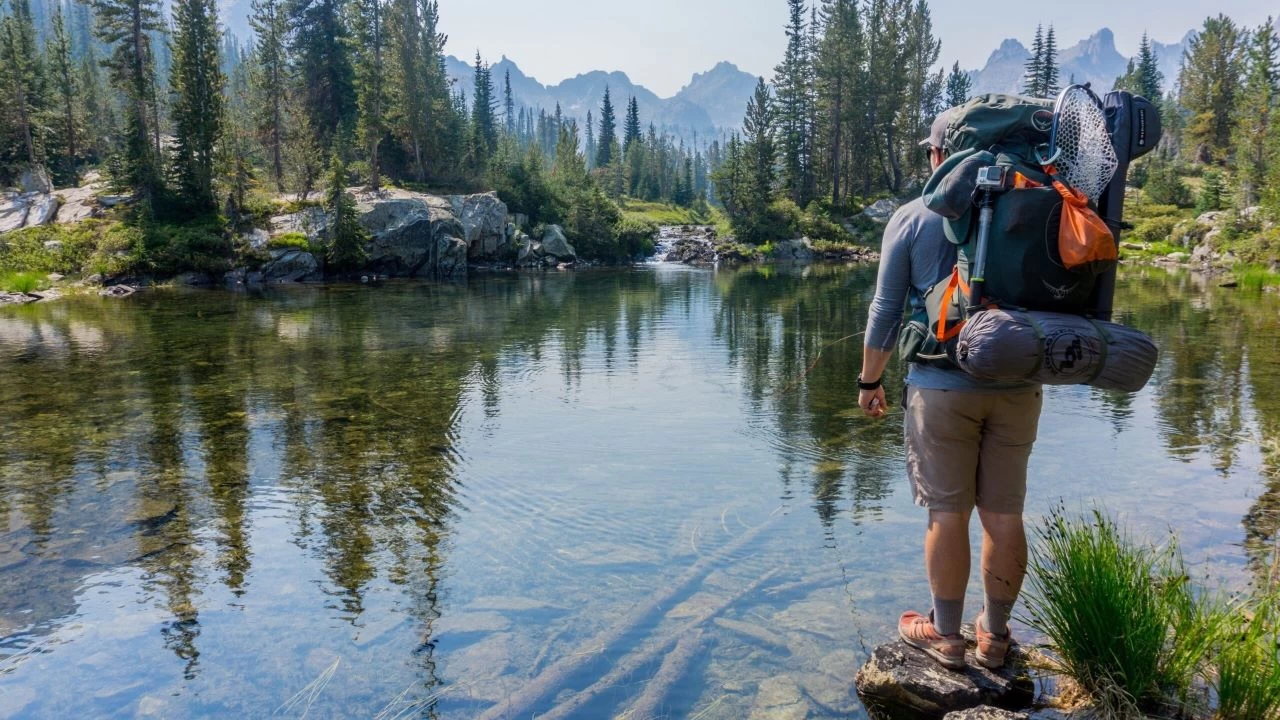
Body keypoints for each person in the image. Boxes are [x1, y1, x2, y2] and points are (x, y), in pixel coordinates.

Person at [856, 108, 1044, 671]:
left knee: (946, 513)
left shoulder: (913, 216)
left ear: (939, 156)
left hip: (941, 386)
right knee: (1004, 514)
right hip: (1019, 383)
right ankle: (995, 634)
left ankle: (945, 637)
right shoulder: (1031, 209)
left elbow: (886, 310)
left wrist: (870, 379)